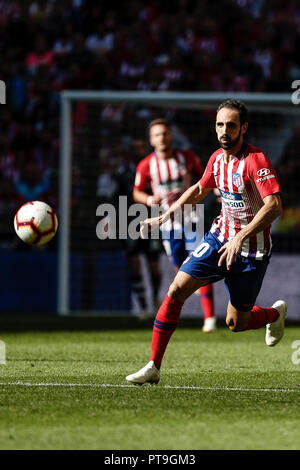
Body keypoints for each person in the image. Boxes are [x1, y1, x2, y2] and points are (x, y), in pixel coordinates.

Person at [126, 99, 287, 385]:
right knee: (176, 289)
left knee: (237, 323)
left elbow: (274, 205)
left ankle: (274, 314)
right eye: (220, 124)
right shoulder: (216, 159)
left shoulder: (255, 160)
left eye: (231, 125)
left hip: (252, 250)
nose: (225, 130)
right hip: (219, 238)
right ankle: (153, 365)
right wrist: (165, 216)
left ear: (243, 128)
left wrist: (242, 235)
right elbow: (200, 189)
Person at [133, 118, 216, 332]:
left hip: (191, 218)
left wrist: (216, 190)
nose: (162, 137)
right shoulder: (146, 165)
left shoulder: (186, 157)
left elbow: (205, 177)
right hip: (167, 224)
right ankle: (194, 290)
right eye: (158, 134)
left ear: (171, 135)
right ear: (151, 140)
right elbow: (137, 192)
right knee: (180, 266)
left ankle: (209, 318)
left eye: (165, 133)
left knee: (201, 263)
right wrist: (148, 199)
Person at [115, 137, 162, 315]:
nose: (138, 151)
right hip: (130, 224)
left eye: (141, 147)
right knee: (134, 265)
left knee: (154, 268)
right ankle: (142, 306)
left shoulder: (155, 171)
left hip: (152, 222)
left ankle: (156, 298)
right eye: (135, 148)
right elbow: (116, 198)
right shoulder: (123, 173)